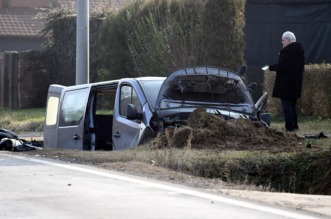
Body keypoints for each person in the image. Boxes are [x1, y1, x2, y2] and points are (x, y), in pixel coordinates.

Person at [264, 31, 305, 132]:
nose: (282, 43)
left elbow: (283, 66)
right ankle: (295, 125)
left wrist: (270, 67)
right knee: (292, 105)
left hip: (286, 83)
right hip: (296, 83)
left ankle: (289, 126)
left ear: (287, 40)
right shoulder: (300, 50)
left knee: (286, 105)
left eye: (283, 41)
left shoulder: (287, 51)